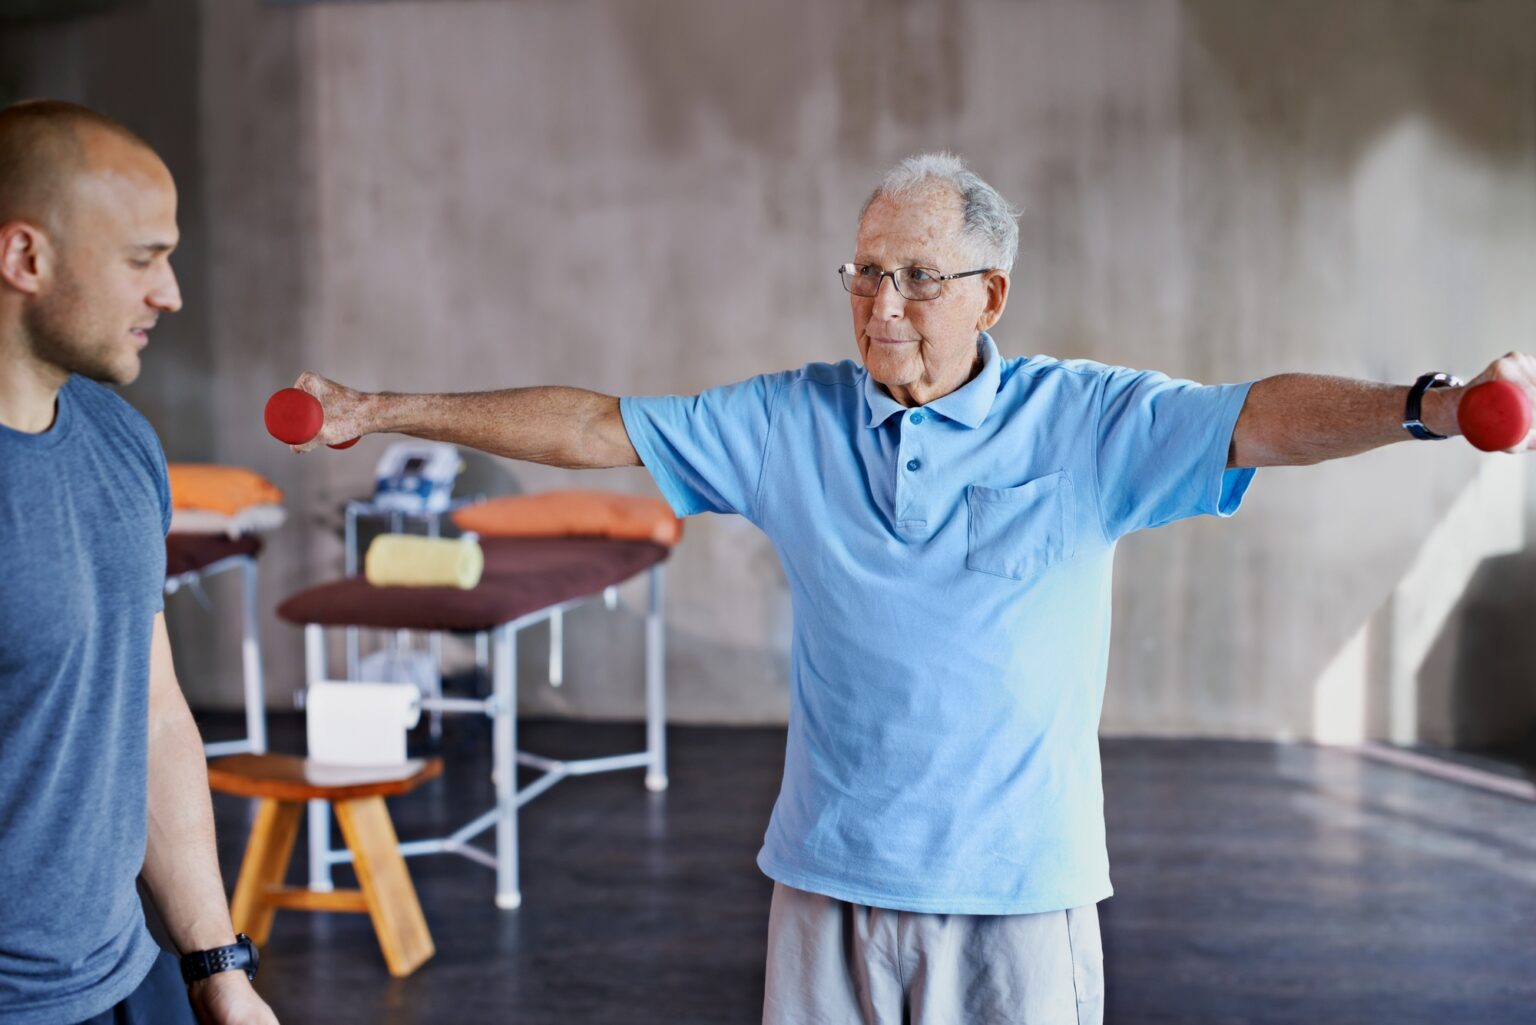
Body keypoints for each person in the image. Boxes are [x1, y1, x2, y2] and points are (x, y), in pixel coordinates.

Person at [287, 153, 1535, 1025]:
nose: (882, 307)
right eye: (865, 272)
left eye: (917, 277)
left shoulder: (1086, 419)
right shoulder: (790, 419)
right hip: (828, 881)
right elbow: (600, 425)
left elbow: (1257, 418)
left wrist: (1433, 410)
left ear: (990, 293)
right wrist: (385, 408)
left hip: (1018, 894)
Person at [0, 100, 278, 1025]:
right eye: (141, 259)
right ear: (25, 258)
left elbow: (152, 717)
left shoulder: (121, 443)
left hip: (128, 979)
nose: (171, 293)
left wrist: (217, 963)